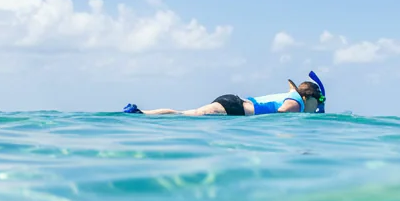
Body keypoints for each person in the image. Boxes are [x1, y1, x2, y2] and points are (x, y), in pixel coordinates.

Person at [124, 72, 327, 117]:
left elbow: (291, 93)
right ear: (308, 98)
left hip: (235, 104)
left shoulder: (292, 95)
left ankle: (141, 113)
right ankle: (140, 113)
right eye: (316, 103)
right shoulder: (296, 104)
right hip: (235, 108)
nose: (315, 108)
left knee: (186, 114)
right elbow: (282, 114)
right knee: (185, 115)